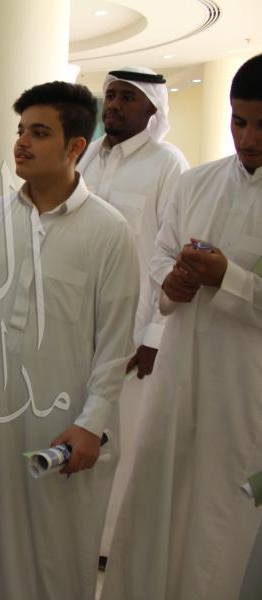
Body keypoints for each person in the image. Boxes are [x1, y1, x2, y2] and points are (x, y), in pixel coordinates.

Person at [0, 81, 139, 600]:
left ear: (75, 147)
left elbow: (115, 345)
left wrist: (91, 424)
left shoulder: (109, 231)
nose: (21, 142)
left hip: (61, 421)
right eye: (21, 130)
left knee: (53, 550)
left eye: (39, 133)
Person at [101, 53, 262, 600]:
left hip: (245, 388)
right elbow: (161, 253)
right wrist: (172, 285)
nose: (248, 138)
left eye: (261, 124)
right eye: (239, 121)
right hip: (179, 372)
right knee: (157, 493)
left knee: (220, 514)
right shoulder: (198, 183)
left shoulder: (169, 164)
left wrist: (228, 277)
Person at [77, 65, 189, 558]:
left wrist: (155, 334)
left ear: (152, 107)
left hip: (133, 332)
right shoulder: (88, 158)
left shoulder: (168, 164)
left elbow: (173, 254)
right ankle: (79, 535)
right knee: (80, 429)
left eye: (127, 97)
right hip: (78, 322)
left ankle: (110, 547)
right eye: (111, 96)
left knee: (122, 442)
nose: (115, 106)